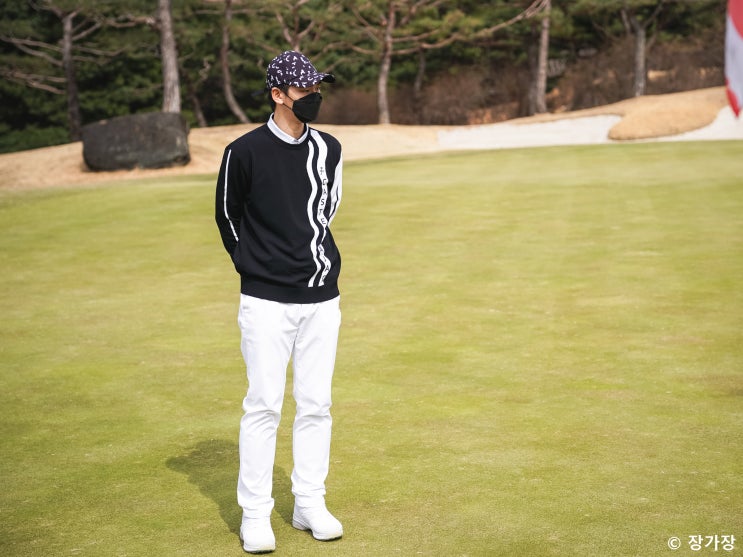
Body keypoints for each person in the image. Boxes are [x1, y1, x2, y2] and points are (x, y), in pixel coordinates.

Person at [214, 50, 344, 554]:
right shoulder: (243, 151)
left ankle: (309, 503)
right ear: (278, 94)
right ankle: (255, 514)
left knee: (317, 405)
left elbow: (327, 211)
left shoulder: (329, 149)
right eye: (304, 89)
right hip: (266, 300)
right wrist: (254, 265)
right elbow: (227, 217)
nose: (314, 96)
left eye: (317, 87)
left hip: (321, 297)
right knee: (264, 405)